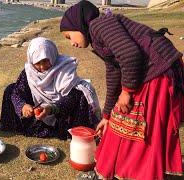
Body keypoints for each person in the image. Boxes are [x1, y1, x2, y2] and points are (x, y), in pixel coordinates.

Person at [60, 0, 184, 179]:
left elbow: (130, 55)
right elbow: (114, 74)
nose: (72, 43)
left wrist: (126, 91)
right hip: (154, 69)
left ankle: (142, 172)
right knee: (121, 120)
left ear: (77, 24)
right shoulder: (98, 34)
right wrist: (106, 115)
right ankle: (134, 170)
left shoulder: (98, 25)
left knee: (138, 125)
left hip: (158, 69)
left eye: (69, 36)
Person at [0, 37, 100, 140]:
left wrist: (51, 108)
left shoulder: (64, 69)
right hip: (39, 115)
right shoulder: (29, 71)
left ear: (52, 56)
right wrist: (23, 106)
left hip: (61, 113)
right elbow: (17, 92)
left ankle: (70, 132)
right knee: (11, 89)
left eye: (45, 61)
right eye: (37, 63)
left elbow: (71, 98)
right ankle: (19, 127)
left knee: (81, 94)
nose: (42, 67)